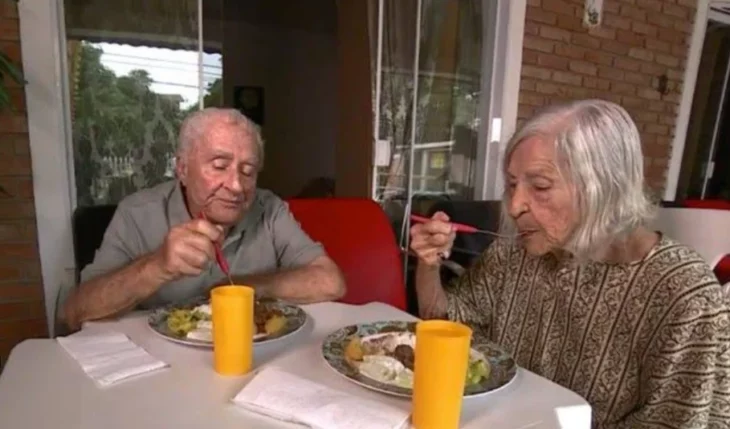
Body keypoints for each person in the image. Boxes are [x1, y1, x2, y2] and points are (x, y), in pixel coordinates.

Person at [410, 100, 730, 429]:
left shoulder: (684, 295)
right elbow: (444, 328)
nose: (516, 204)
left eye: (540, 187)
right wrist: (429, 264)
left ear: (603, 187)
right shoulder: (514, 253)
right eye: (512, 184)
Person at [63, 108, 346, 330]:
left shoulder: (269, 208)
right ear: (183, 169)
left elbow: (330, 282)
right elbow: (75, 311)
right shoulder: (136, 213)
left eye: (248, 171)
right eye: (220, 166)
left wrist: (240, 288)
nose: (236, 185)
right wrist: (158, 266)